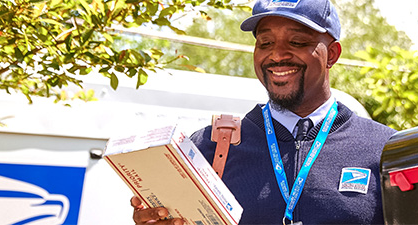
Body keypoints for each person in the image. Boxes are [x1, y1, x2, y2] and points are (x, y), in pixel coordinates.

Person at [130, 0, 396, 224]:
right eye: (265, 42)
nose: (278, 55)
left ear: (333, 54)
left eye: (297, 41)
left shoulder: (386, 150)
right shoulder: (206, 148)